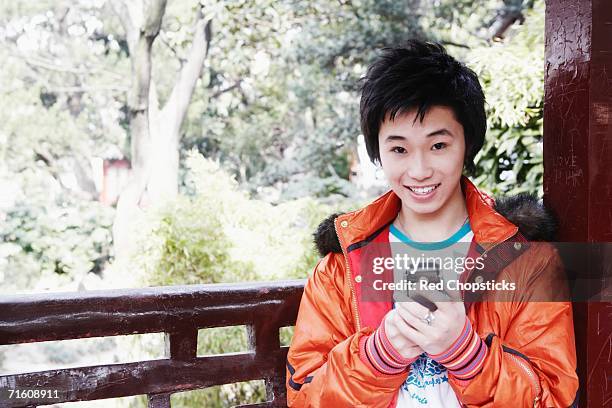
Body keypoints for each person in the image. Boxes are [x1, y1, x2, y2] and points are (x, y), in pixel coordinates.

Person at [285, 39, 578, 407]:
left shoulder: (527, 262)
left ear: (467, 143)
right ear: (378, 150)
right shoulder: (340, 267)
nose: (419, 170)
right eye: (399, 149)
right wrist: (379, 355)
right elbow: (304, 397)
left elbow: (552, 397)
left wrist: (466, 353)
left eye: (438, 145)